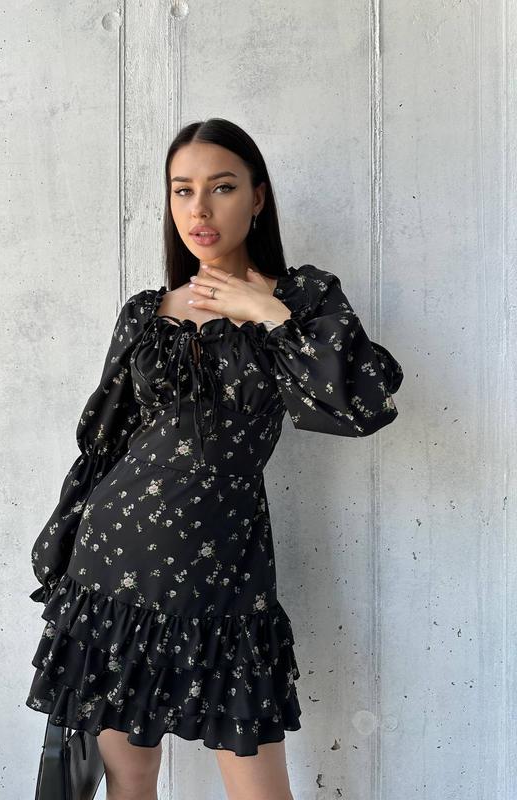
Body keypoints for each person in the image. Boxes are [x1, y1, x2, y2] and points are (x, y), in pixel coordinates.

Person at [26, 117, 403, 800]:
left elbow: (361, 405)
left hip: (227, 579)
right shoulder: (146, 313)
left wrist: (268, 312)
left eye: (221, 188)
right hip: (112, 571)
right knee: (129, 783)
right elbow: (103, 447)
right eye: (182, 190)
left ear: (257, 197)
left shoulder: (302, 299)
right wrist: (60, 546)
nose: (198, 209)